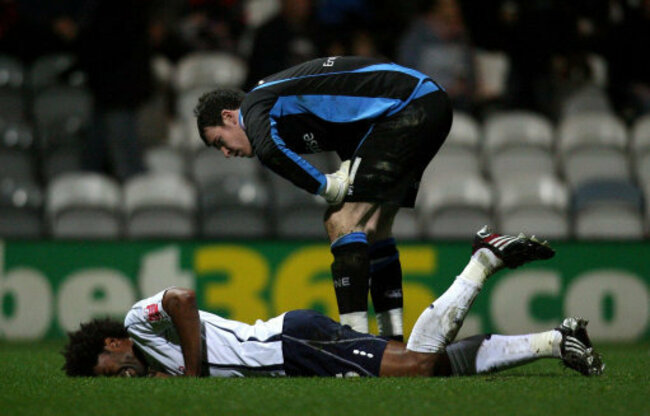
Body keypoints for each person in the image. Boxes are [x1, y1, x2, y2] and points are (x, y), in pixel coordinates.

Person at [62, 227, 605, 378]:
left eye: (106, 368)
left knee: (414, 369)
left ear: (114, 342)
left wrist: (193, 374)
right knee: (427, 364)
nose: (115, 378)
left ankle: (482, 261)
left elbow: (181, 297)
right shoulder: (159, 371)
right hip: (292, 354)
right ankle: (558, 340)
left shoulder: (140, 324)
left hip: (290, 344)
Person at [193, 56, 453, 341]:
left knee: (340, 220)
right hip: (423, 103)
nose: (226, 153)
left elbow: (269, 151)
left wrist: (326, 186)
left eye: (220, 142)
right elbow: (349, 125)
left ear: (230, 116)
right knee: (374, 229)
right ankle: (392, 345)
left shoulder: (255, 103)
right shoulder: (281, 108)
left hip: (407, 105)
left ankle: (356, 346)